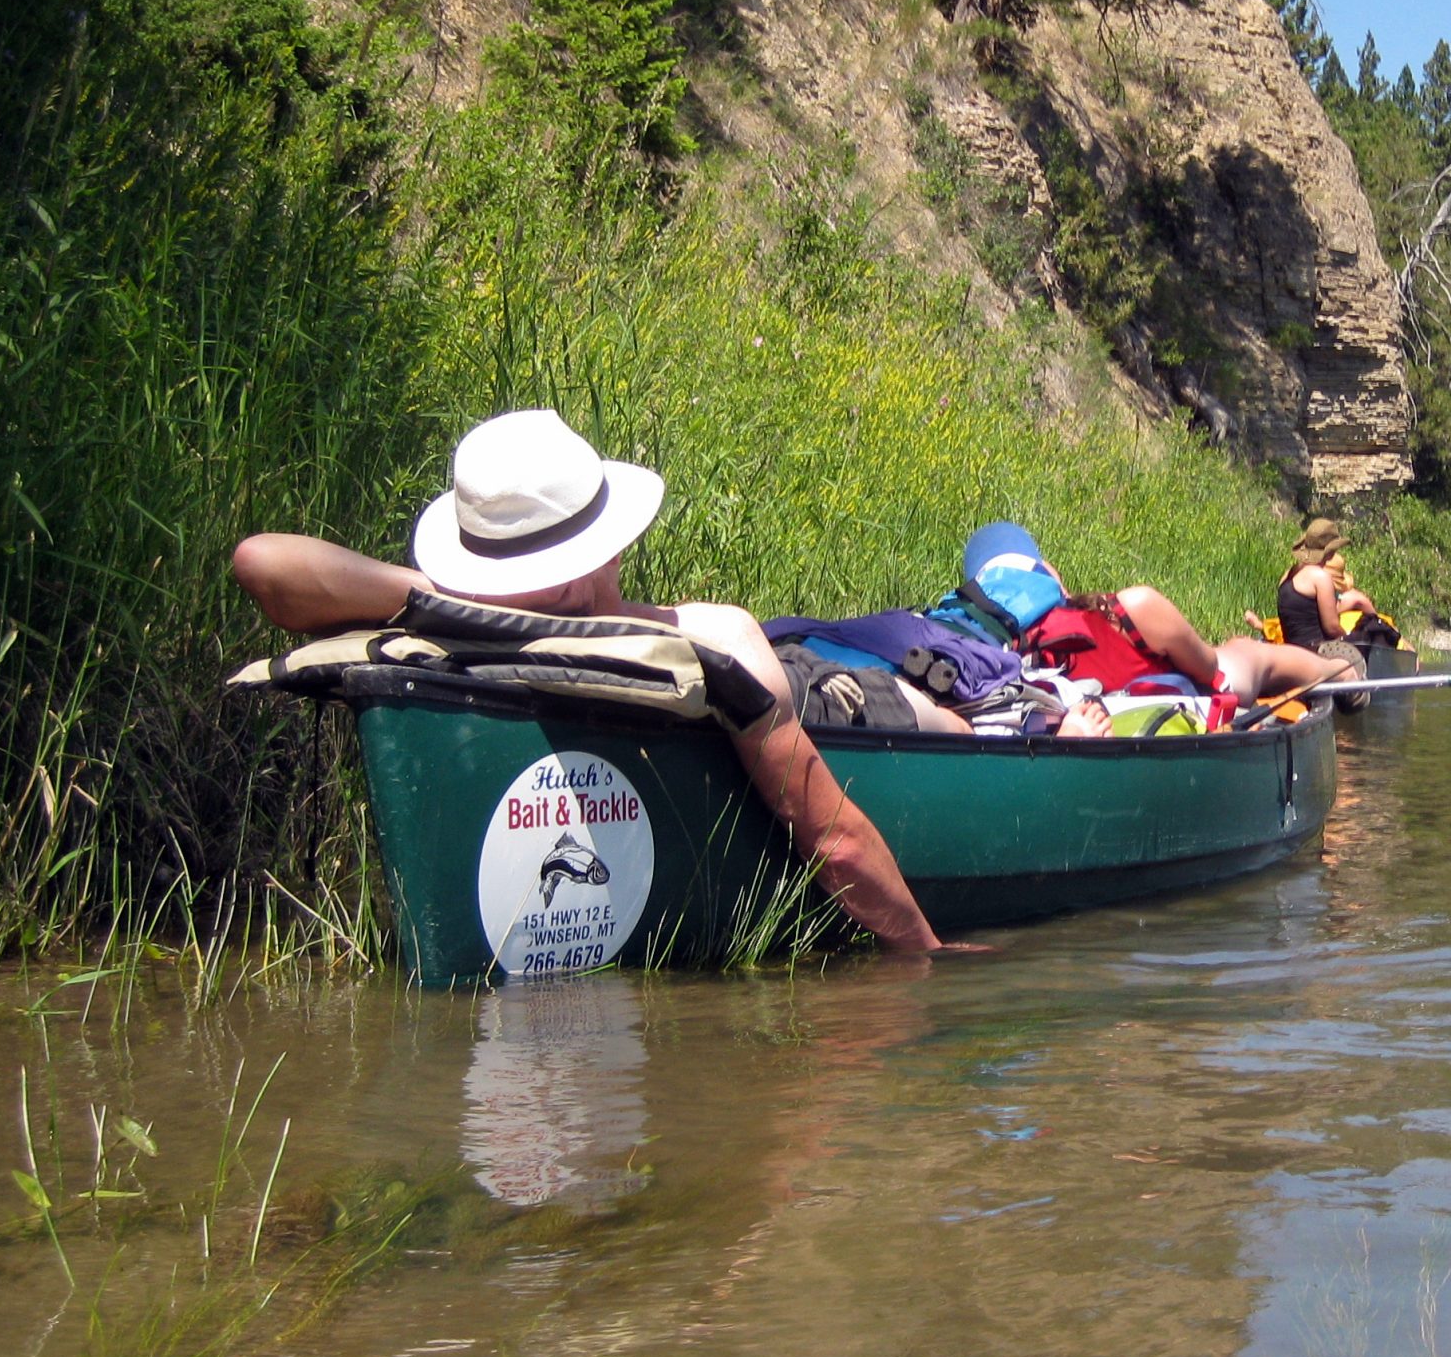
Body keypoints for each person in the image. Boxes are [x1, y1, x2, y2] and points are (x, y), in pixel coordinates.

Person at [231, 409, 959, 956]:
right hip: (818, 690)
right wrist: (930, 954)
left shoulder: (458, 620)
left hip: (785, 672)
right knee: (946, 717)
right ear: (591, 560)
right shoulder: (719, 636)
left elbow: (261, 562)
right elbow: (837, 843)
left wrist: (457, 596)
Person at [957, 522, 1358, 706]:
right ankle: (1341, 673)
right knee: (1244, 651)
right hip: (1182, 693)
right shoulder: (1130, 607)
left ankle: (1337, 672)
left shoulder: (973, 643)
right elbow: (1207, 670)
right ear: (1050, 580)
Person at [1267, 516, 1378, 650]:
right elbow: (1332, 628)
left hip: (1292, 648)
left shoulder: (1291, 573)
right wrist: (1350, 642)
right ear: (1330, 552)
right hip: (1317, 650)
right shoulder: (1320, 577)